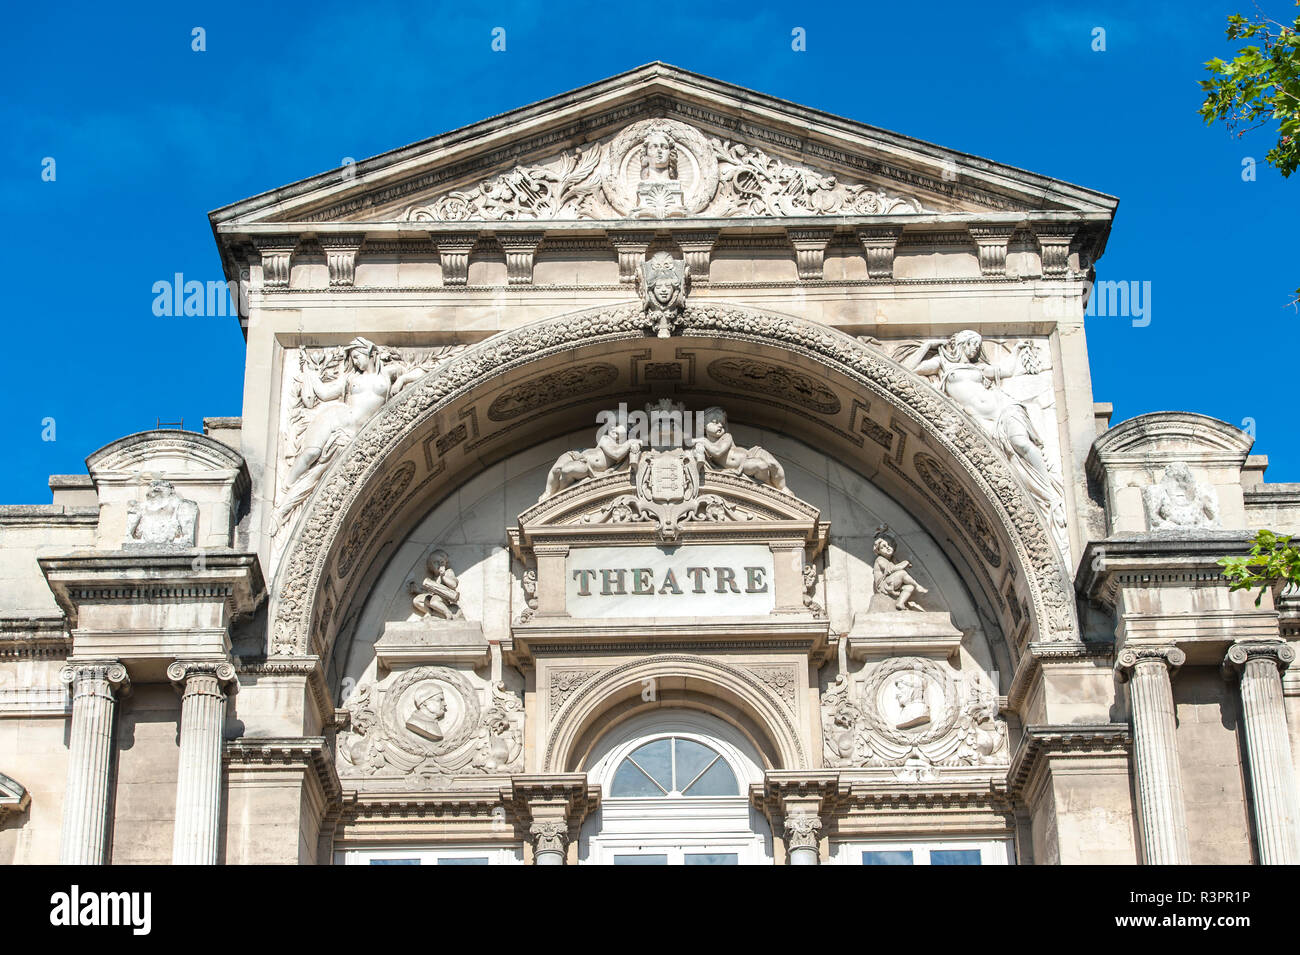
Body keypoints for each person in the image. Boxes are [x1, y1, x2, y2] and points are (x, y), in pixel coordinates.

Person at [691, 407, 789, 493]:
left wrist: (702, 440)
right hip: (743, 465)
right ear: (703, 425)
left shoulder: (726, 436)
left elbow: (718, 452)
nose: (720, 425)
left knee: (774, 465)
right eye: (715, 422)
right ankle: (770, 488)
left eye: (722, 423)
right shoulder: (704, 446)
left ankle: (783, 489)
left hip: (751, 454)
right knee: (761, 466)